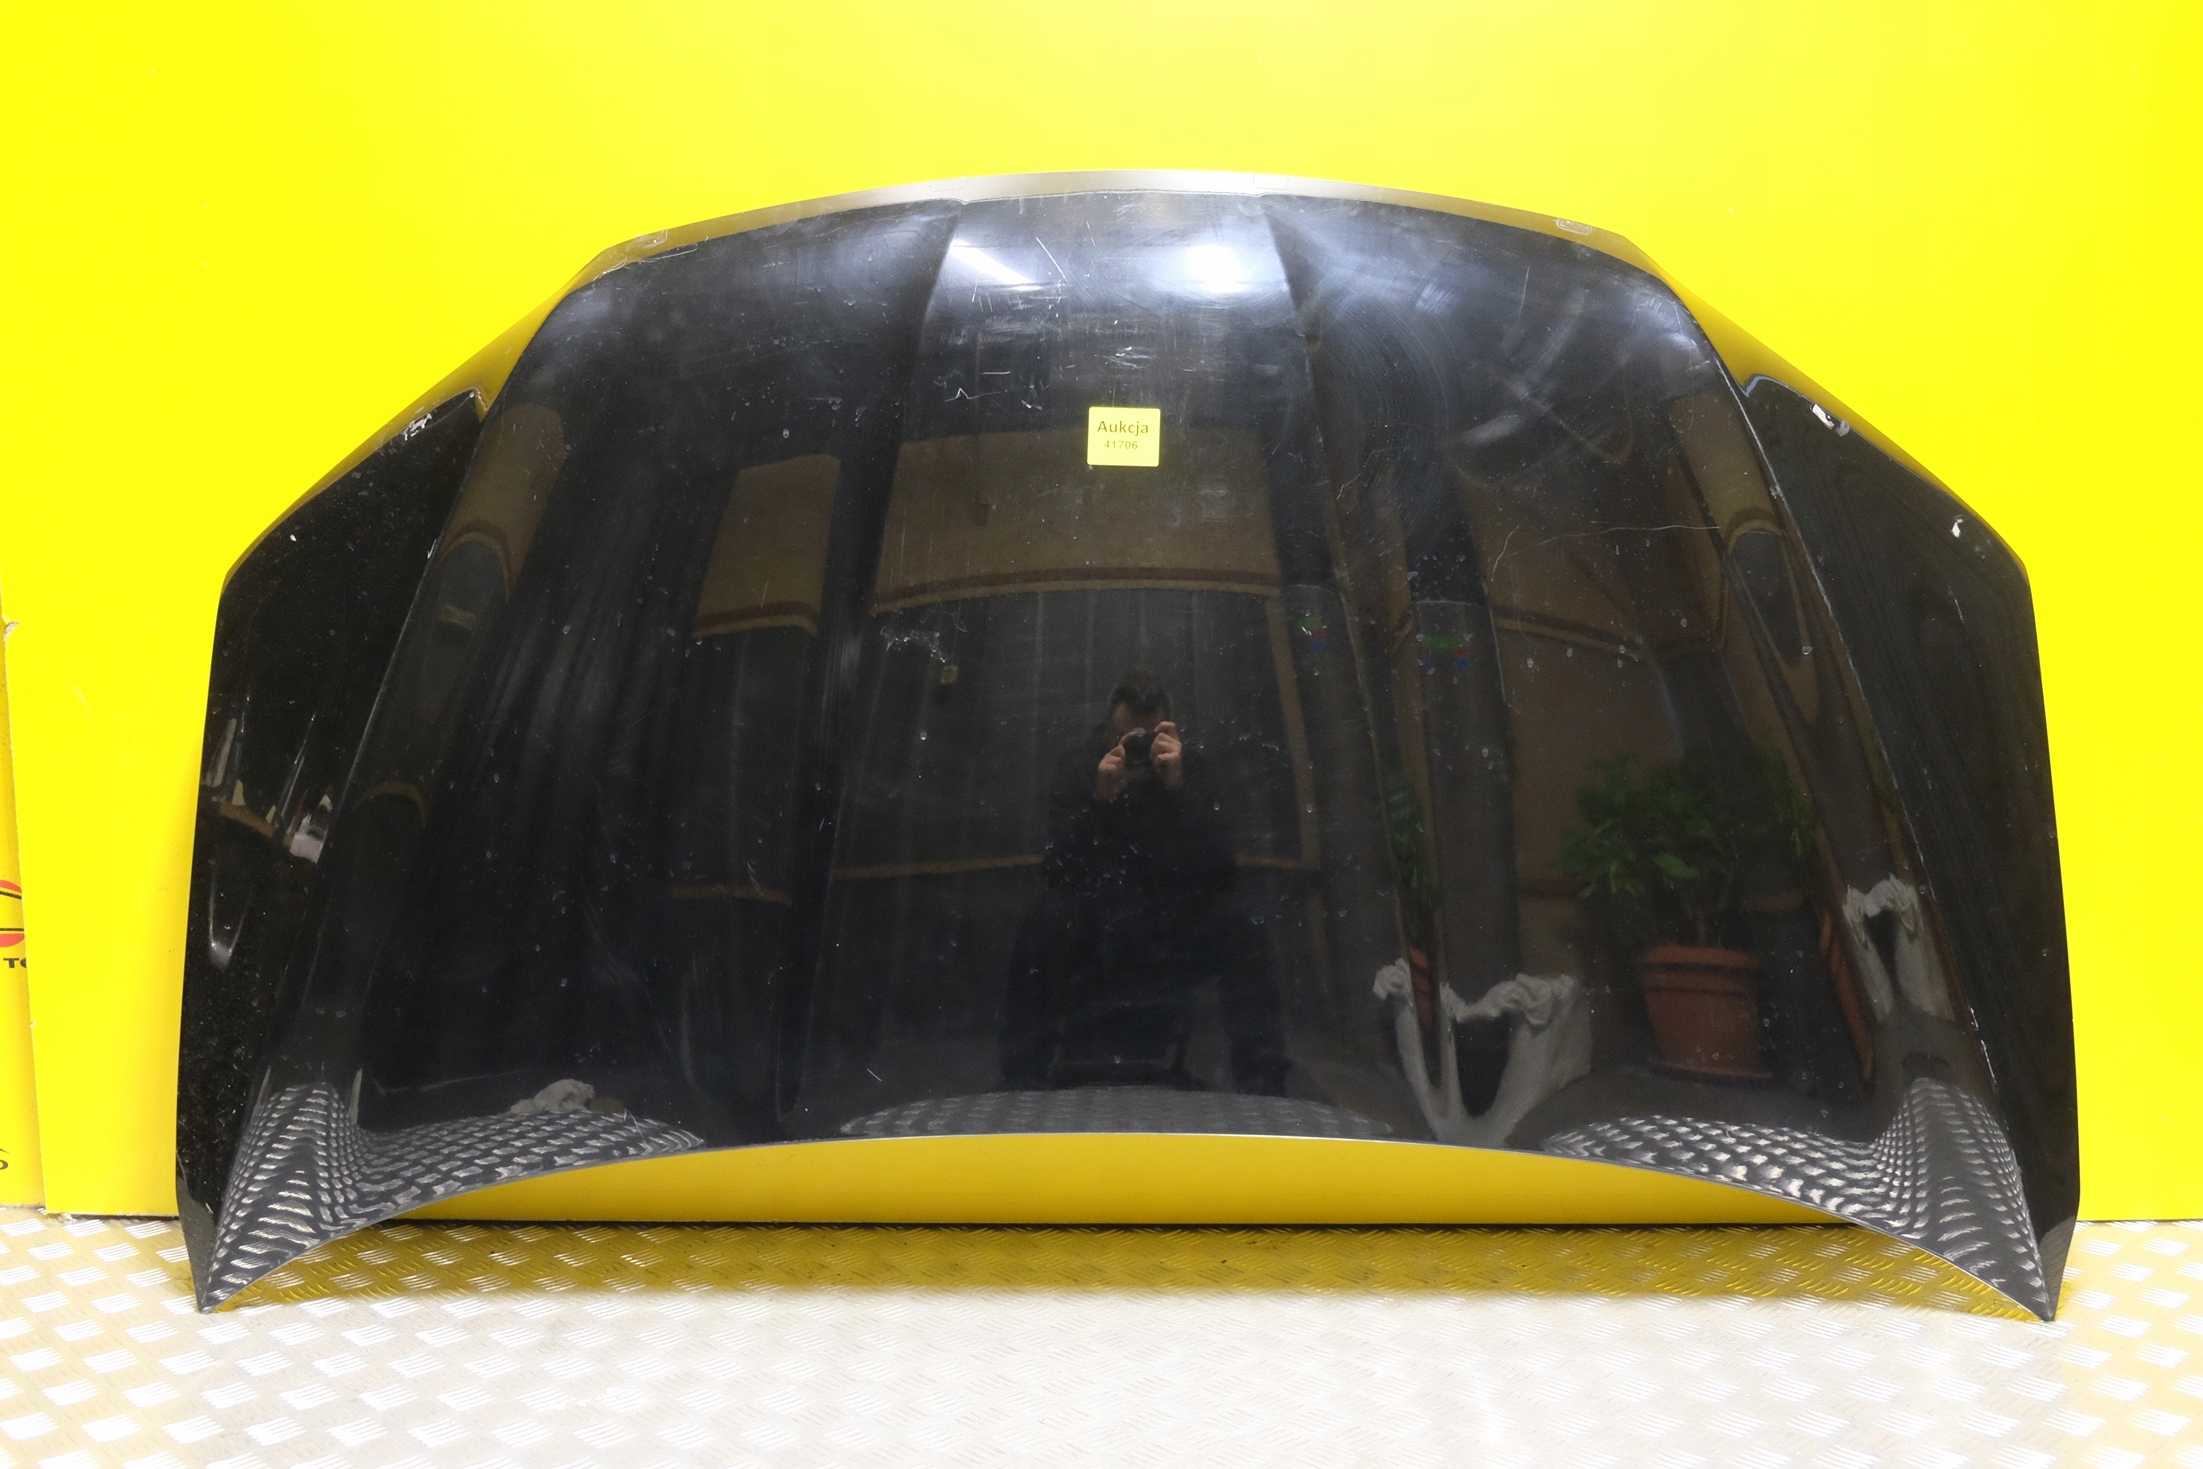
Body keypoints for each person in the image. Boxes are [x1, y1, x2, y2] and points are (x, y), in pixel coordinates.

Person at [999, 671, 1290, 1094]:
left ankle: (1264, 1081)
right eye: (1125, 737)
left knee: (1244, 924)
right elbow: (1056, 870)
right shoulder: (1080, 767)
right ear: (1108, 732)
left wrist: (1178, 791)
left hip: (1173, 925)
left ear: (1169, 731)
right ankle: (1020, 1077)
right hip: (1094, 926)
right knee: (1043, 921)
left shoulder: (1191, 769)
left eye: (1148, 737)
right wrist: (1099, 802)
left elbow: (1222, 871)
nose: (1136, 747)